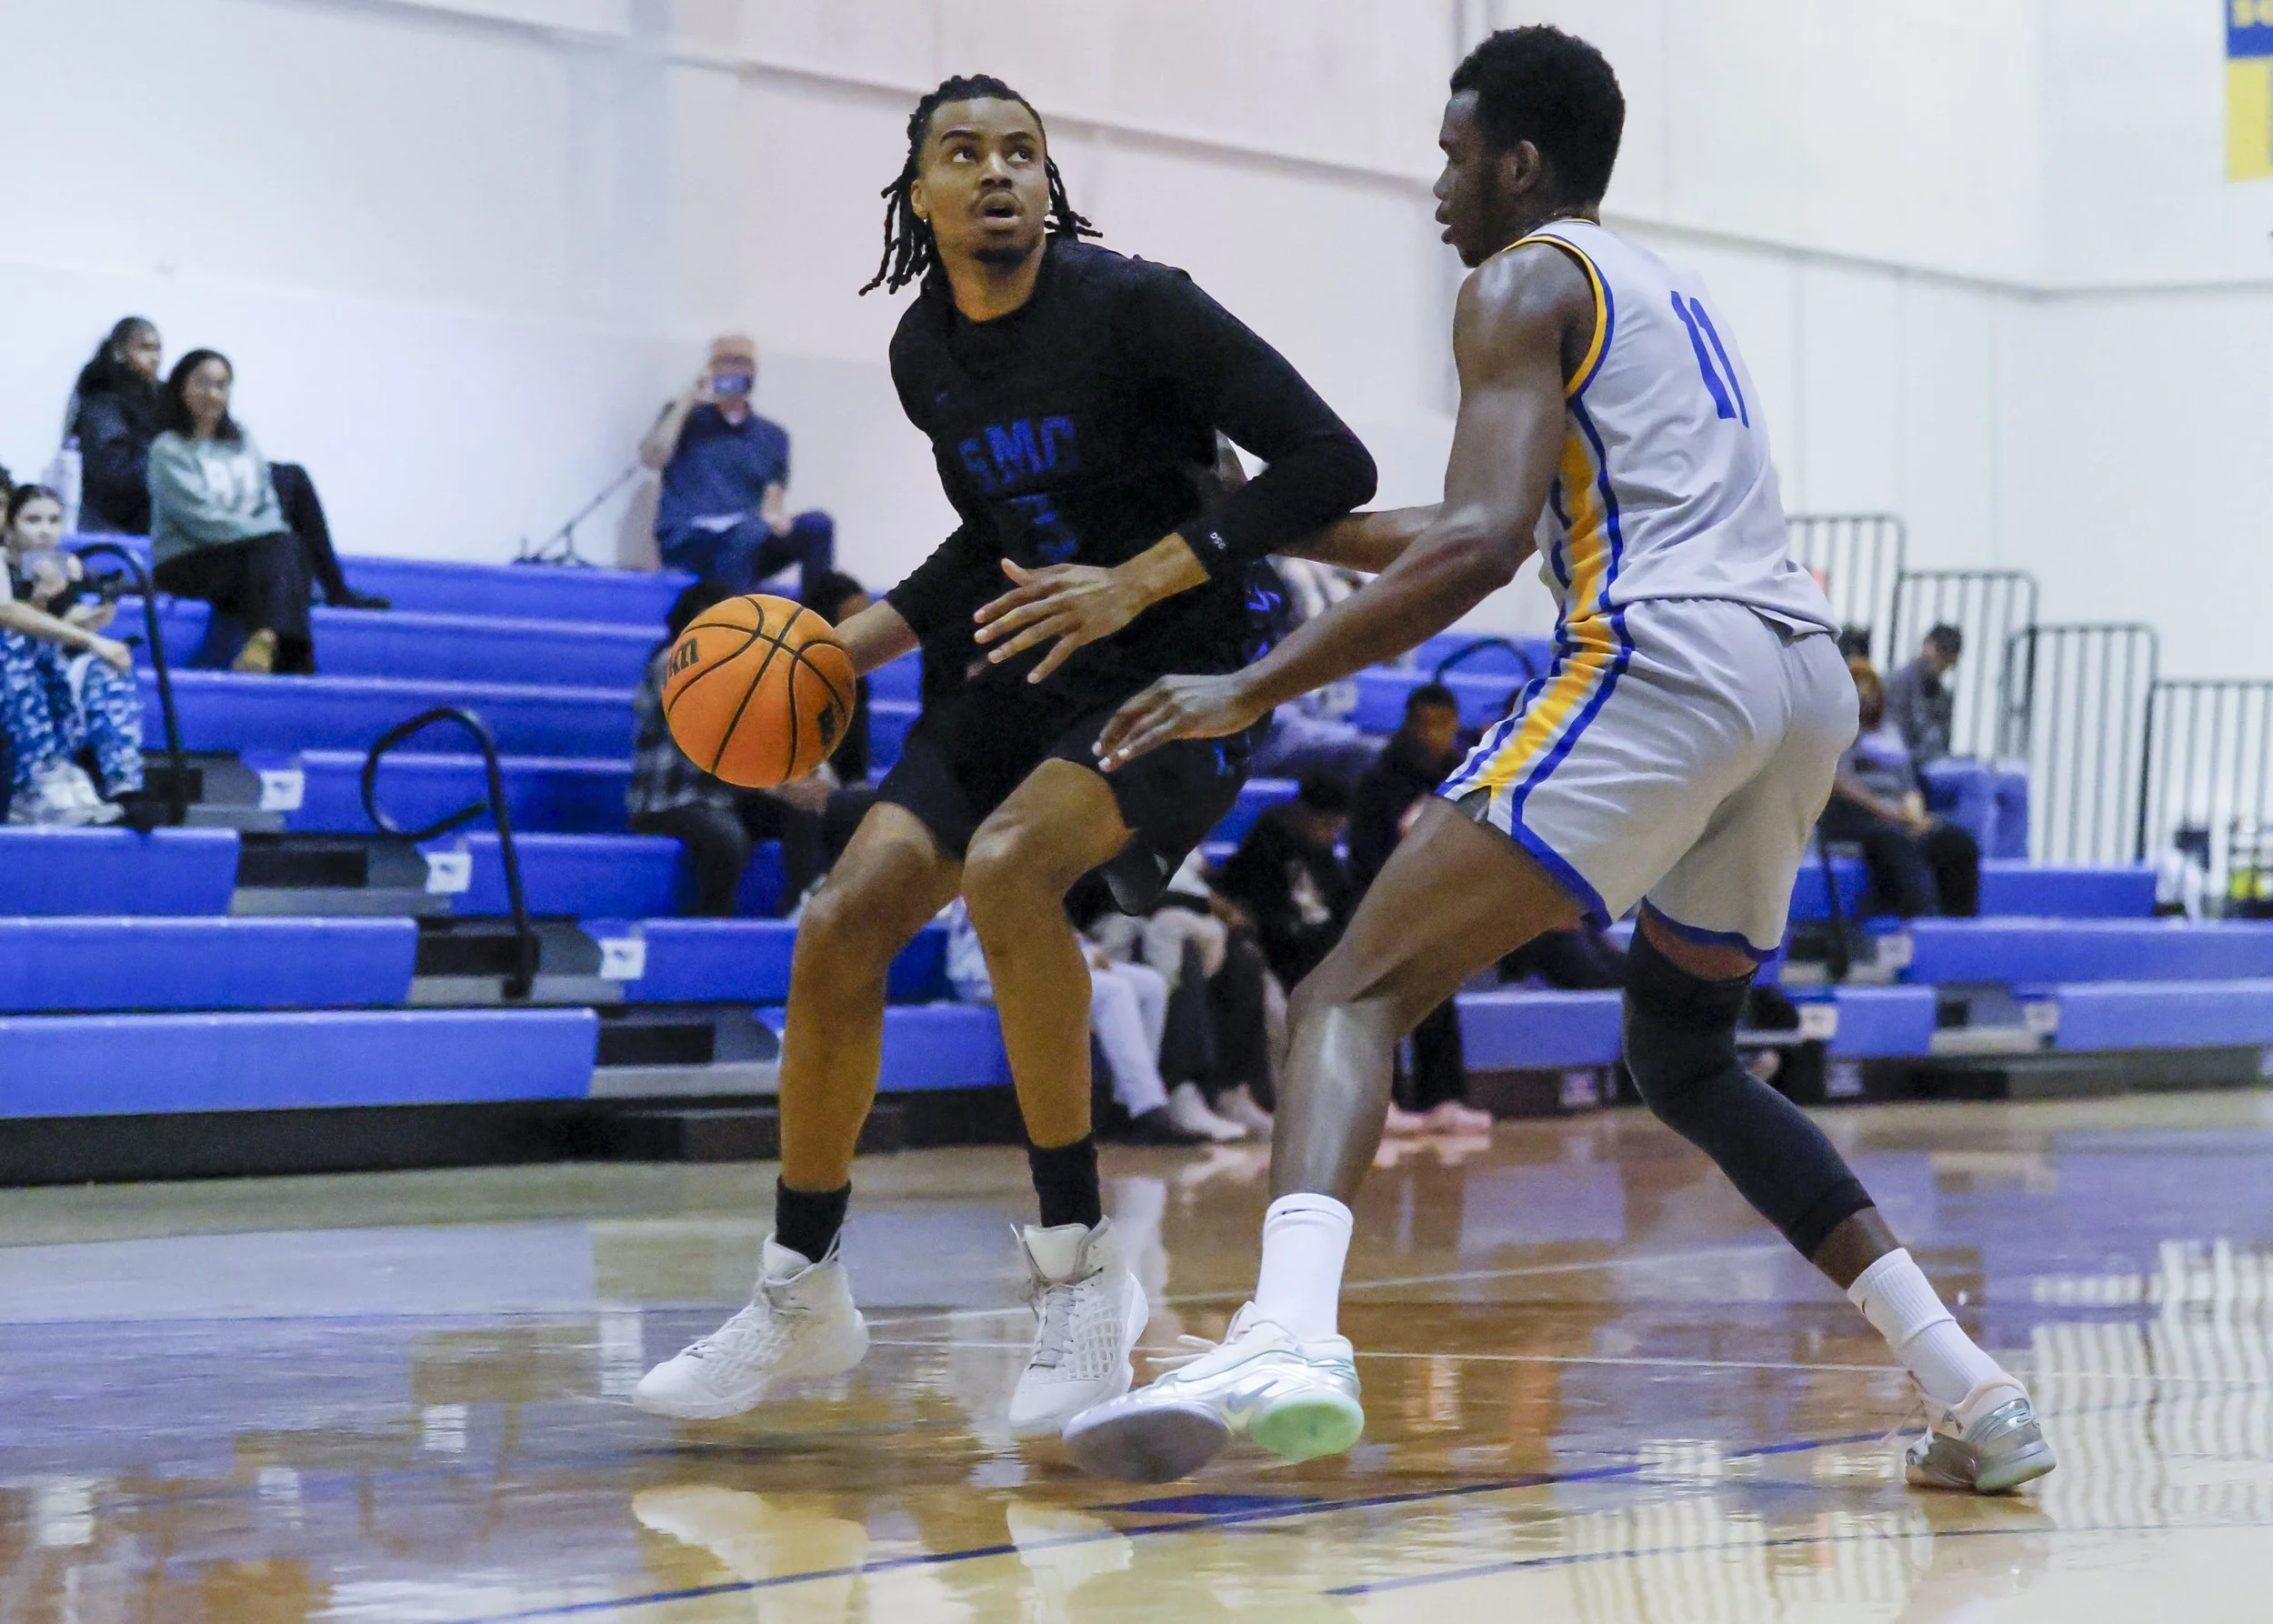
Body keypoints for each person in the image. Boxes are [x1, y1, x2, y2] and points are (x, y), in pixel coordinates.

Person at [1070, 25, 2052, 1496]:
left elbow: (1474, 549)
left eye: (1455, 155)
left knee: (1348, 990)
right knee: (1685, 1052)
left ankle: (1286, 1331)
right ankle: (1968, 1387)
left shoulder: (1514, 282)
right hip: (1794, 681)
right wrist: (1261, 521)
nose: (1437, 188)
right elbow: (1501, 516)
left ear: (1520, 163)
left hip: (1668, 660)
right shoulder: (1658, 286)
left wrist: (1248, 684)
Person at [633, 74, 1374, 1438]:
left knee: (1016, 868)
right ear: (918, 195)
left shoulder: (1137, 305)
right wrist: (838, 651)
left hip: (1193, 661)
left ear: (1049, 182)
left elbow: (1333, 463)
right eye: (963, 153)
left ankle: (1085, 1279)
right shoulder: (928, 354)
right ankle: (801, 1287)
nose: (998, 172)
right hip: (1030, 654)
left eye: (1021, 151)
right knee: (842, 917)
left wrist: (1136, 582)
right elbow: (989, 535)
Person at [627, 582, 852, 916]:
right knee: (727, 840)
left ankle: (798, 908)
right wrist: (778, 788)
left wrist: (808, 778)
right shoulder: (674, 664)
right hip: (670, 799)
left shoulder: (737, 671)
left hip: (721, 795)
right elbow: (709, 750)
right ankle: (712, 925)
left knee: (808, 809)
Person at [1349, 684, 1490, 1134]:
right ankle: (1380, 1099)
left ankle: (1444, 1098)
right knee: (1382, 1002)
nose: (1433, 735)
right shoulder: (1379, 780)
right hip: (1382, 904)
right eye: (1425, 725)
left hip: (1440, 905)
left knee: (1437, 996)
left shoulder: (1463, 774)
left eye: (1443, 726)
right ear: (1409, 725)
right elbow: (1364, 856)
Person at [146, 350, 317, 675]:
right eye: (203, 384)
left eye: (222, 386)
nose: (213, 394)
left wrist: (268, 536)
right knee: (284, 549)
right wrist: (264, 535)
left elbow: (268, 502)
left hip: (248, 558)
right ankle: (287, 657)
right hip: (188, 560)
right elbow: (200, 520)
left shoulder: (242, 439)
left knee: (286, 546)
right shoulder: (167, 448)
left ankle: (266, 639)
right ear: (181, 388)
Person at [642, 336, 836, 604]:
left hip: (750, 538)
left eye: (743, 362)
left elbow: (773, 500)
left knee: (817, 524)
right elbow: (653, 456)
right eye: (726, 361)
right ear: (711, 366)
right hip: (691, 539)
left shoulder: (772, 436)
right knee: (747, 531)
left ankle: (820, 625)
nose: (736, 369)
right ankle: (736, 629)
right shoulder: (685, 419)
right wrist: (690, 397)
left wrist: (777, 520)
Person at [1, 486, 145, 825]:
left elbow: (64, 628)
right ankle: (36, 780)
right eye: (33, 519)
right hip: (10, 678)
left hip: (43, 679)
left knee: (108, 664)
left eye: (53, 520)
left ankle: (124, 786)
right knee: (15, 647)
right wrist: (86, 636)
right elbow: (8, 617)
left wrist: (101, 608)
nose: (44, 529)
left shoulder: (60, 566)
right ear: (11, 526)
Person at [1823, 659, 1979, 918]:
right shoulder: (1838, 732)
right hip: (1856, 815)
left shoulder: (1891, 734)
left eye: (1871, 690)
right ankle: (1915, 922)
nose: (1866, 698)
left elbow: (1908, 783)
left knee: (1957, 844)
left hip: (1898, 815)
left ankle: (1957, 926)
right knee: (1897, 845)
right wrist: (1883, 809)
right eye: (1859, 691)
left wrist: (1915, 815)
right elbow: (1839, 781)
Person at [1213, 773, 1354, 992]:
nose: (1333, 837)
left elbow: (1342, 905)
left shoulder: (1324, 857)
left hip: (1322, 950)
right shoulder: (1264, 850)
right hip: (1284, 953)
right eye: (1328, 826)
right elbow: (1268, 917)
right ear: (1303, 814)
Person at [66, 317, 164, 536]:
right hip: (114, 524)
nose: (155, 358)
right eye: (145, 348)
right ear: (119, 350)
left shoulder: (161, 396)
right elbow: (113, 470)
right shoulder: (103, 403)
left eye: (158, 349)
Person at [1887, 624, 1961, 766]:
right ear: (1928, 647)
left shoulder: (1942, 695)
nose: (1943, 666)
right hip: (1904, 765)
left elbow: (1942, 743)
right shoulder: (1898, 683)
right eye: (1943, 656)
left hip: (1929, 762)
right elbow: (1895, 739)